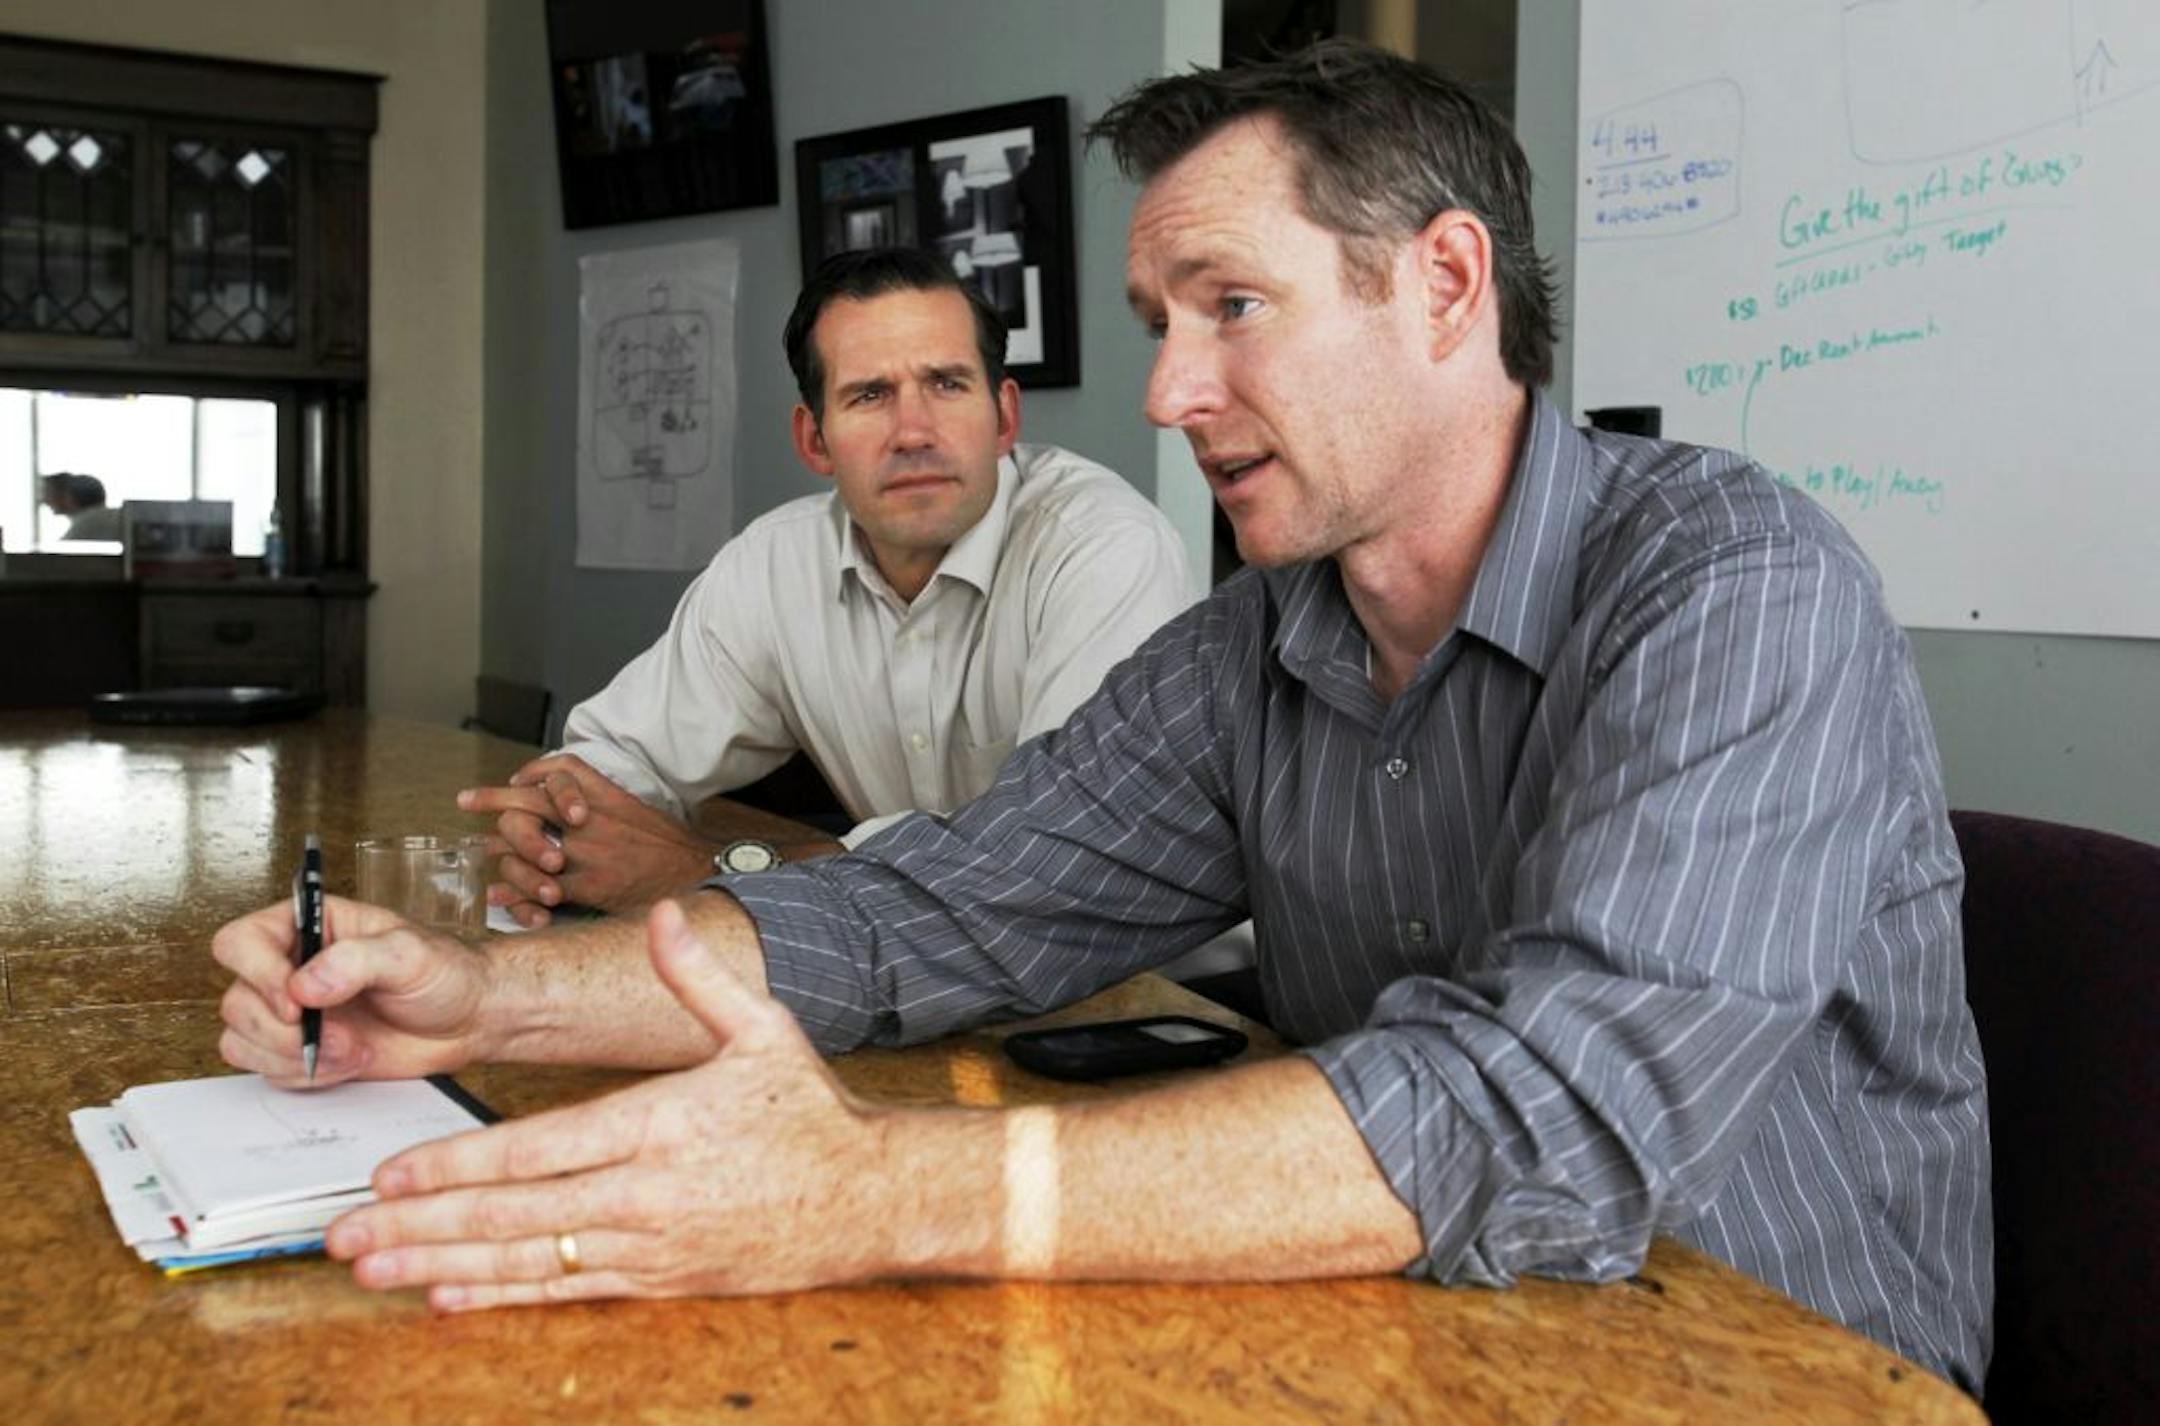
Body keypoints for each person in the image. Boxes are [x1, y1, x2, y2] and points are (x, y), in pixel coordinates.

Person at [213, 42, 1989, 1390]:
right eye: (1157, 320)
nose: (1167, 390)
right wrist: (476, 996)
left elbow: (1541, 1114)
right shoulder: (1253, 649)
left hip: (1777, 1371)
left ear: (1445, 286)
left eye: (1231, 307)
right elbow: (935, 906)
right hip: (1433, 1340)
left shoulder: (1740, 588)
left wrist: (880, 1190)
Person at [461, 247, 1192, 924]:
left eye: (945, 383)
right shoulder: (777, 563)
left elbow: (1052, 853)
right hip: (914, 965)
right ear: (814, 440)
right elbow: (615, 758)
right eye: (870, 395)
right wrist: (559, 828)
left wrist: (705, 871)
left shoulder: (1102, 549)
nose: (914, 431)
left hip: (1162, 992)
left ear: (1003, 417)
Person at [39, 472, 126, 542]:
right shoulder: (108, 516)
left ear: (67, 496)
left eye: (49, 493)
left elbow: (58, 559)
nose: (44, 500)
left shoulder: (88, 522)